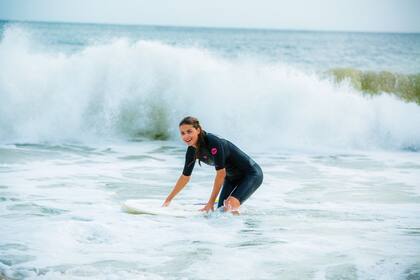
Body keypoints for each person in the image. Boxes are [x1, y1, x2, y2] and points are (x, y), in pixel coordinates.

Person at [162, 116, 263, 214]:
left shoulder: (212, 142)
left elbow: (220, 174)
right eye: (182, 133)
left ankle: (248, 229)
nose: (186, 136)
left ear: (198, 130)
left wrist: (210, 203)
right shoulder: (191, 151)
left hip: (251, 174)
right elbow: (185, 177)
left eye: (189, 131)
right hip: (231, 178)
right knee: (221, 211)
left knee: (229, 206)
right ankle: (227, 229)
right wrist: (168, 201)